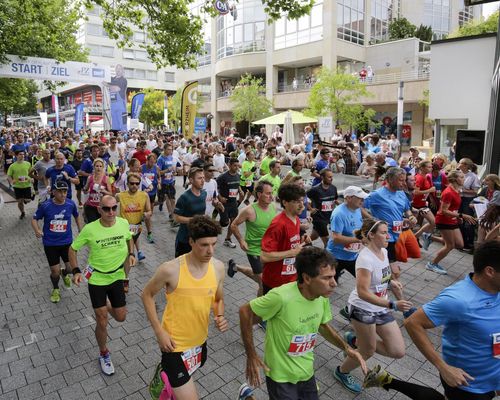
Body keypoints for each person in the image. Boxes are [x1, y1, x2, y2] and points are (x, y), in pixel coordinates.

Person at [239, 247, 367, 400]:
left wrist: (347, 348)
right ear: (307, 278)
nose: (334, 283)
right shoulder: (281, 297)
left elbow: (323, 326)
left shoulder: (322, 297)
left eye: (333, 277)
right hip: (280, 375)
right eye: (326, 278)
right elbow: (245, 312)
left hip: (306, 372)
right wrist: (251, 355)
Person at [383, 240, 500, 400]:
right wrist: (443, 367)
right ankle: (388, 381)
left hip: (493, 378)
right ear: (490, 271)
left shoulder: (496, 291)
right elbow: (413, 323)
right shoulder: (459, 300)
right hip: (468, 386)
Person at [142, 216, 230, 400]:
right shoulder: (171, 270)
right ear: (191, 241)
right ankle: (168, 375)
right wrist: (159, 332)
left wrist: (220, 314)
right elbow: (147, 295)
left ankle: (167, 382)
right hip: (174, 346)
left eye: (214, 244)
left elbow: (218, 298)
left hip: (199, 343)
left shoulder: (218, 268)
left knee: (183, 384)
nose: (210, 251)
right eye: (204, 245)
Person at [335, 219, 413, 394]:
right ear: (371, 235)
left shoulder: (384, 251)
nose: (389, 235)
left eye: (387, 232)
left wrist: (391, 281)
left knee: (397, 350)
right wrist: (392, 304)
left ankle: (355, 340)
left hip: (380, 307)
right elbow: (363, 291)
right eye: (384, 232)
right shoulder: (365, 259)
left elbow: (379, 278)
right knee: (368, 351)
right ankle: (342, 371)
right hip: (363, 308)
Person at [69, 195, 135, 376]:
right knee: (102, 320)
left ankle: (104, 306)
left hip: (117, 277)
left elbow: (129, 237)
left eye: (114, 208)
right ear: (99, 210)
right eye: (106, 209)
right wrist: (75, 271)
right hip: (97, 278)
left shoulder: (122, 223)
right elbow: (73, 248)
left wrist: (131, 254)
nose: (111, 212)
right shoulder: (90, 229)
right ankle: (104, 353)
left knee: (121, 317)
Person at [31, 181, 82, 303]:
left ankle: (64, 274)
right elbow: (34, 219)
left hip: (67, 243)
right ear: (53, 192)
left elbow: (76, 215)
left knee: (70, 269)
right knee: (55, 271)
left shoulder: (70, 204)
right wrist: (37, 230)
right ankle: (55, 288)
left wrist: (81, 230)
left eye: (65, 191)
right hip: (50, 244)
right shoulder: (45, 206)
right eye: (60, 191)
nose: (63, 194)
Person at [228, 181, 277, 296]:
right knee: (263, 282)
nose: (272, 196)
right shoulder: (249, 210)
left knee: (263, 277)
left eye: (272, 193)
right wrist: (241, 241)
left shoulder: (273, 208)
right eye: (268, 193)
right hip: (254, 250)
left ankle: (236, 267)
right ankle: (257, 311)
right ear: (259, 194)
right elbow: (233, 225)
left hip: (269, 250)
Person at [260, 184, 311, 295]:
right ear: (285, 202)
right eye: (296, 201)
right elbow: (264, 257)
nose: (301, 205)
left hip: (291, 278)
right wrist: (292, 252)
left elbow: (289, 243)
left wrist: (302, 240)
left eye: (302, 201)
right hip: (275, 282)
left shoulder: (296, 219)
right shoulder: (278, 224)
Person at [326, 185, 366, 319]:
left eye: (363, 198)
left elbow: (359, 225)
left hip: (352, 256)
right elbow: (336, 238)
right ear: (348, 198)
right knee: (327, 287)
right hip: (335, 257)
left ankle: (348, 309)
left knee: (366, 284)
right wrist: (359, 240)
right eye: (359, 198)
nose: (362, 201)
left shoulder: (357, 209)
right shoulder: (339, 213)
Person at [427, 170, 477, 274]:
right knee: (450, 245)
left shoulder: (457, 190)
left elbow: (453, 208)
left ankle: (430, 237)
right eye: (462, 177)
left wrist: (458, 217)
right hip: (444, 220)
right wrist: (461, 215)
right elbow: (444, 211)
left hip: (452, 220)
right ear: (455, 179)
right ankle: (432, 264)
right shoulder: (448, 192)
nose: (464, 179)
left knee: (459, 244)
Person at [116, 172, 152, 281]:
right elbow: (109, 204)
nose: (134, 186)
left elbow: (149, 210)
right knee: (127, 253)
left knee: (127, 254)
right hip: (123, 228)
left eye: (137, 183)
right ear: (127, 183)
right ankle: (124, 278)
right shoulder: (120, 195)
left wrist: (147, 214)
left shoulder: (144, 195)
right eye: (132, 183)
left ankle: (124, 277)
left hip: (136, 228)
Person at [173, 167, 207, 257]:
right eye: (199, 178)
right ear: (191, 180)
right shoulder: (184, 197)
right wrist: (193, 219)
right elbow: (176, 218)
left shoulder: (204, 194)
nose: (203, 180)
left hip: (199, 237)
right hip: (184, 239)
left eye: (203, 177)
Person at [307, 168, 338, 247]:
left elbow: (335, 200)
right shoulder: (315, 189)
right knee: (327, 242)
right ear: (322, 177)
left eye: (332, 177)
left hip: (328, 217)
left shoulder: (333, 188)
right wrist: (310, 208)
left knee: (315, 236)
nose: (331, 179)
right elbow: (303, 198)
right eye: (329, 177)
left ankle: (302, 244)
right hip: (318, 218)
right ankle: (326, 258)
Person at [216, 158, 242, 248]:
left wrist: (240, 191)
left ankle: (227, 239)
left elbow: (237, 185)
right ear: (229, 165)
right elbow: (214, 187)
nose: (236, 167)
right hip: (224, 203)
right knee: (224, 222)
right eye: (234, 165)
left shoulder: (238, 175)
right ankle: (211, 231)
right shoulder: (223, 177)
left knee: (233, 222)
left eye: (238, 166)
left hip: (233, 202)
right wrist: (220, 197)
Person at [457, 158, 481, 252]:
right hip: (458, 198)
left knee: (468, 221)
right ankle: (460, 242)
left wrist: (462, 190)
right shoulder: (457, 173)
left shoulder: (473, 176)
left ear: (466, 165)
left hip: (467, 200)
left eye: (461, 163)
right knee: (459, 219)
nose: (459, 164)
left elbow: (475, 192)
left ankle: (469, 244)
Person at [413, 160, 436, 250]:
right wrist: (430, 190)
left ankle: (416, 237)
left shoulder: (427, 177)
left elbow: (428, 190)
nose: (431, 168)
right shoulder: (419, 178)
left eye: (431, 167)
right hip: (416, 204)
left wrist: (430, 198)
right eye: (429, 167)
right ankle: (416, 237)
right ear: (422, 168)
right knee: (432, 221)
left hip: (423, 203)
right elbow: (416, 192)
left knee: (420, 224)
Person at [83, 158, 113, 224]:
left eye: (100, 166)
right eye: (97, 166)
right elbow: (85, 191)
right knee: (92, 224)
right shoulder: (90, 178)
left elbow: (111, 194)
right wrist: (85, 189)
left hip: (102, 207)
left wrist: (104, 191)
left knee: (102, 225)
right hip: (90, 206)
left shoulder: (106, 178)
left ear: (103, 167)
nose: (98, 168)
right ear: (94, 167)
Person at [7, 150, 33, 219]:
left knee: (28, 200)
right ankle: (22, 212)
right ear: (16, 156)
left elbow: (31, 173)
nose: (22, 156)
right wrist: (12, 182)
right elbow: (9, 176)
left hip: (27, 185)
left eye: (23, 154)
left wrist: (31, 178)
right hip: (17, 186)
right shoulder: (12, 166)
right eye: (20, 154)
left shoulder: (28, 164)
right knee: (19, 202)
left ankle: (25, 199)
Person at [141, 153, 160, 243]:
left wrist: (159, 183)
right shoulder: (142, 168)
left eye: (154, 162)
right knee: (147, 212)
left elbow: (158, 176)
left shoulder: (155, 168)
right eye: (151, 162)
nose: (152, 164)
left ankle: (145, 217)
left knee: (150, 212)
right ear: (147, 160)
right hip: (144, 193)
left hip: (153, 192)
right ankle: (149, 233)